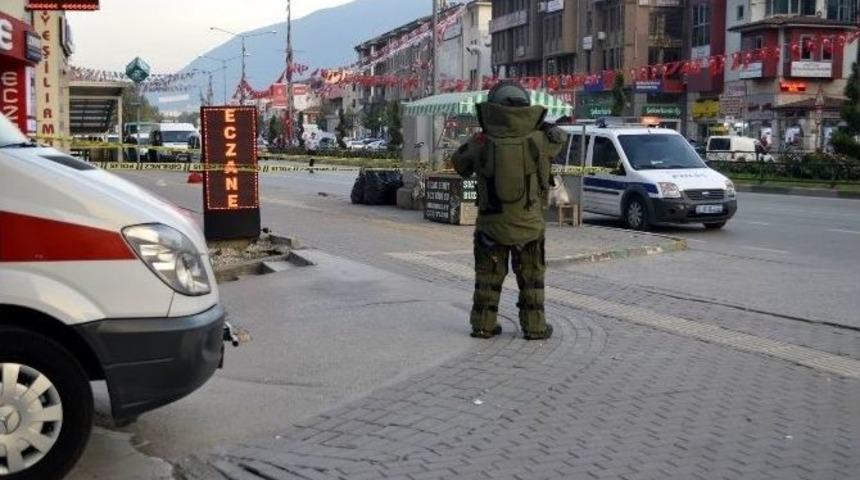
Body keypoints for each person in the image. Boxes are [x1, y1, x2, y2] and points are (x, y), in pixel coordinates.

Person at [451, 81, 568, 340]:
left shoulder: (482, 142)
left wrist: (478, 138)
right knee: (532, 279)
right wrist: (542, 125)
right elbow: (561, 138)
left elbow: (459, 164)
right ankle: (535, 327)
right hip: (530, 226)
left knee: (487, 279)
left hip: (491, 226)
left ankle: (484, 325)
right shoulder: (540, 139)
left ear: (494, 107)